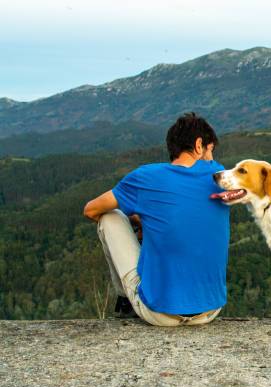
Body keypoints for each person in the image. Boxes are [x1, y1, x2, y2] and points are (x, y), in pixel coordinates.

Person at [83, 113, 229, 326]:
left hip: (158, 314)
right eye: (211, 150)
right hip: (210, 311)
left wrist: (136, 219)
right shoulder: (219, 176)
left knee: (110, 216)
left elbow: (91, 210)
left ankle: (126, 300)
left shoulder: (146, 177)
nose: (212, 158)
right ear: (199, 145)